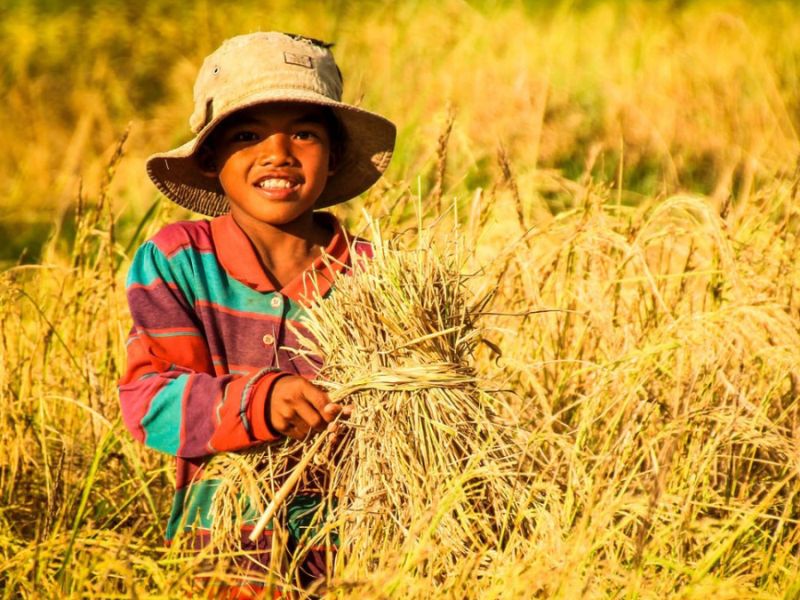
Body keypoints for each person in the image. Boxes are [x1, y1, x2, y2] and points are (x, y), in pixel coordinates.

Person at [118, 31, 395, 596]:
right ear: (212, 156)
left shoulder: (377, 277)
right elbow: (147, 400)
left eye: (303, 132)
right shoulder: (177, 264)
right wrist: (257, 400)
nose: (278, 154)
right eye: (247, 135)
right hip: (217, 562)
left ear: (334, 154)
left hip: (352, 563)